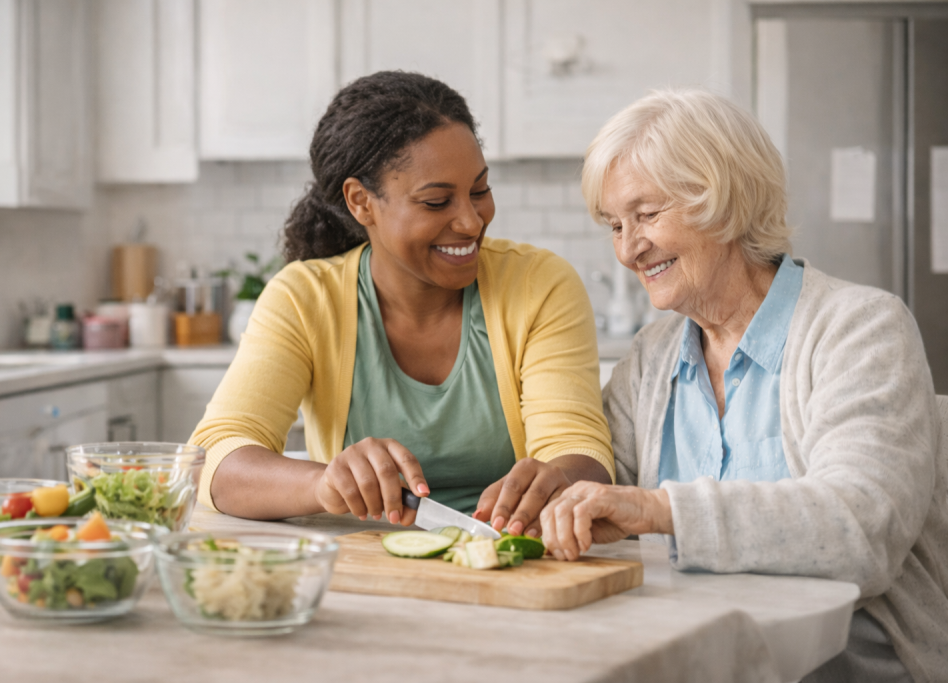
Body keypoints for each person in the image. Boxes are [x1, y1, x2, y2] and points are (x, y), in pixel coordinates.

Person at [539, 89, 948, 682]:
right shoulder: (652, 358)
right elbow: (608, 501)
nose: (629, 249)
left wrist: (660, 510)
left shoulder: (860, 327)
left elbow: (862, 526)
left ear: (723, 200)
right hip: (697, 660)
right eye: (615, 225)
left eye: (647, 215)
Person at [191, 71, 613, 538]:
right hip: (366, 569)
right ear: (361, 202)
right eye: (436, 202)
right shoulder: (306, 299)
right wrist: (326, 484)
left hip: (511, 560)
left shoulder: (539, 286)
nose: (472, 222)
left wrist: (561, 479)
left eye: (480, 191)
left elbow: (581, 453)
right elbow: (213, 459)